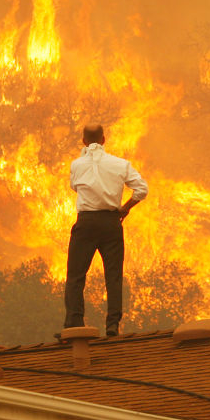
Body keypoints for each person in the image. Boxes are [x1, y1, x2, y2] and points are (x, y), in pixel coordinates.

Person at [63, 123, 148, 336]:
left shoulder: (76, 165)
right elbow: (142, 189)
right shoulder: (121, 164)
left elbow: (75, 187)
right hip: (111, 223)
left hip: (86, 222)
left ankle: (74, 324)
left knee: (75, 276)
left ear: (83, 141)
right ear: (104, 139)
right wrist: (125, 208)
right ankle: (112, 325)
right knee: (113, 276)